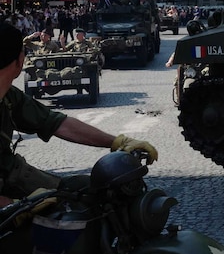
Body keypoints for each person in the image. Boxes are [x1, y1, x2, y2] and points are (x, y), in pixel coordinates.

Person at [0, 24, 157, 207]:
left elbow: (58, 123)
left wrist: (118, 141)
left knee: (86, 191)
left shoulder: (9, 96)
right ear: (20, 60)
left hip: (12, 174)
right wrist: (15, 206)